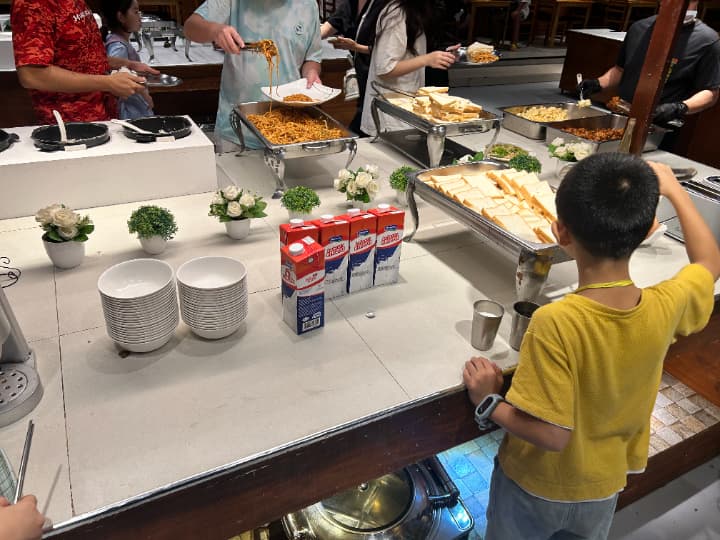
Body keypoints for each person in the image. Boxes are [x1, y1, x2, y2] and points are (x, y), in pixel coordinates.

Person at [463, 153, 720, 540]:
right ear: (648, 231)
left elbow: (553, 435)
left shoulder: (556, 322)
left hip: (535, 487)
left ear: (560, 233)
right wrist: (674, 190)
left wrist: (488, 401)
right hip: (603, 486)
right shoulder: (665, 304)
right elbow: (710, 261)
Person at [183, 0, 323, 151]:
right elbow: (190, 27)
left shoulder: (308, 5)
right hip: (236, 130)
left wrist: (312, 72)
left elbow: (312, 57)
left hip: (289, 129)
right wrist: (215, 30)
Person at [577, 0, 720, 131]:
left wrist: (679, 108)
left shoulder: (707, 40)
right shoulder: (639, 28)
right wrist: (598, 83)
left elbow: (710, 92)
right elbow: (620, 70)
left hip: (662, 124)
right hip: (621, 115)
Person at [11, 0, 157, 125]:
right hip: (70, 125)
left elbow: (81, 57)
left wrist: (128, 64)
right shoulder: (33, 3)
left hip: (102, 117)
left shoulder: (77, 2)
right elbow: (32, 75)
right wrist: (108, 83)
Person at [360, 0, 458, 136]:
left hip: (405, 103)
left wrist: (441, 55)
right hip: (390, 111)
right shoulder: (397, 13)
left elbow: (410, 52)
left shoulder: (415, 12)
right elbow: (385, 69)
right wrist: (427, 59)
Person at [320, 0, 389, 135]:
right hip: (360, 72)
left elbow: (387, 51)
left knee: (366, 125)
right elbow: (330, 26)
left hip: (379, 77)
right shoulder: (351, 4)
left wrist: (356, 47)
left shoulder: (386, 7)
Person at [100, 0, 154, 120]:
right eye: (135, 12)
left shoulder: (119, 41)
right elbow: (119, 80)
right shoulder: (118, 46)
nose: (139, 16)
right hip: (130, 113)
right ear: (121, 17)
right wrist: (145, 96)